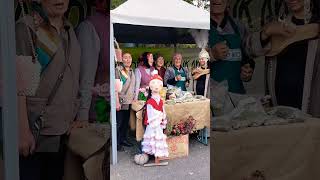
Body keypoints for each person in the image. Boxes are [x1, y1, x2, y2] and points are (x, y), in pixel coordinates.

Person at [15, 0, 81, 179]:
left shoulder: (70, 30)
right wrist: (22, 131)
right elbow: (20, 86)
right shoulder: (29, 27)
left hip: (63, 132)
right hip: (36, 134)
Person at [247, 0, 320, 116]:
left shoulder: (316, 24)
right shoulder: (278, 23)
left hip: (311, 110)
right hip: (279, 109)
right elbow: (251, 50)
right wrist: (266, 32)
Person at [209, 0, 255, 94]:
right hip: (209, 97)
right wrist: (211, 55)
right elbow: (183, 62)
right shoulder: (196, 27)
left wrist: (247, 71)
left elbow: (247, 57)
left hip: (236, 96)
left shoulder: (239, 27)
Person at [76, 0, 110, 123]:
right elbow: (85, 77)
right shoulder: (90, 27)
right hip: (95, 111)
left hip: (111, 109)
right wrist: (82, 117)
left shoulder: (113, 22)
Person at [141, 74, 169, 164]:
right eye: (154, 84)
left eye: (158, 84)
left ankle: (158, 154)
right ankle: (149, 153)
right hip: (153, 123)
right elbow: (150, 113)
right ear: (151, 86)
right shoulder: (150, 101)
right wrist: (159, 116)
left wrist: (163, 117)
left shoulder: (160, 100)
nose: (156, 86)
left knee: (158, 138)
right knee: (152, 138)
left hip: (158, 123)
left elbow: (162, 109)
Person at [115, 53, 135, 151]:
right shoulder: (118, 70)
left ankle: (122, 140)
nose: (128, 60)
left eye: (129, 57)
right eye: (125, 58)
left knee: (125, 123)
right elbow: (115, 87)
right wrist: (117, 101)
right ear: (121, 59)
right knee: (118, 123)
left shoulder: (132, 71)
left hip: (129, 102)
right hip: (120, 101)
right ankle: (116, 143)